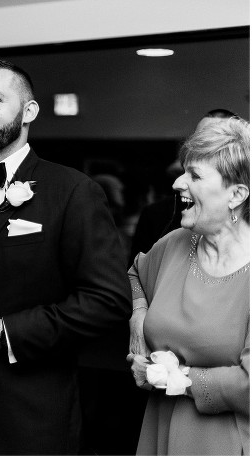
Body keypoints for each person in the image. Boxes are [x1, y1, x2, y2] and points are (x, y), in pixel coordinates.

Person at [0, 58, 131, 454]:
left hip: (27, 418)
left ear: (29, 111)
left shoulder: (71, 191)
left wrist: (4, 333)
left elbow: (107, 301)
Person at [127, 117, 249, 455]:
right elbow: (136, 273)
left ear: (236, 194)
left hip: (223, 443)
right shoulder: (176, 244)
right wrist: (138, 317)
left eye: (195, 175)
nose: (178, 183)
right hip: (158, 433)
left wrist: (173, 377)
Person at [130, 108, 240, 263]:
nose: (210, 148)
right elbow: (136, 277)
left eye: (223, 141)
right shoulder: (157, 217)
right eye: (203, 139)